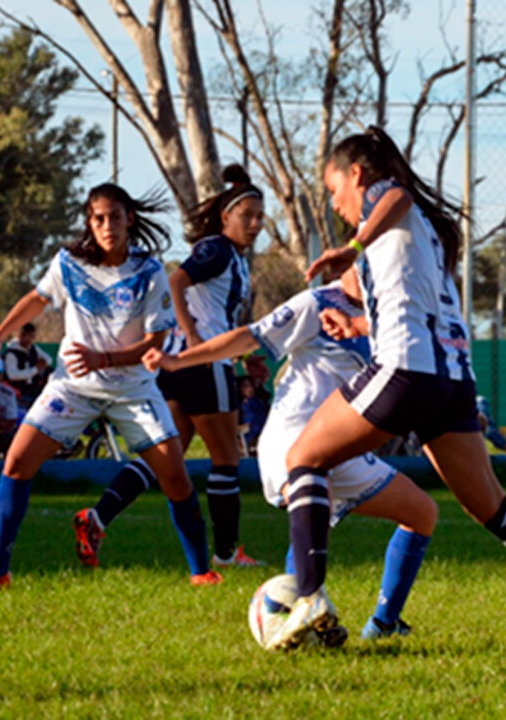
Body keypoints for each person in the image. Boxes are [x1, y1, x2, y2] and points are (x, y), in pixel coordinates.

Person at [264, 126, 506, 653]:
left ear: (358, 175)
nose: (336, 205)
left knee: (303, 456)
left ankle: (309, 597)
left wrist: (350, 246)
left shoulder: (384, 200)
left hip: (406, 372)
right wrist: (357, 327)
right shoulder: (420, 230)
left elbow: (394, 193)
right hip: (451, 382)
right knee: (489, 504)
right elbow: (415, 305)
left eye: (335, 191)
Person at [0, 183, 222, 590]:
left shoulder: (149, 272)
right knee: (17, 462)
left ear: (129, 218)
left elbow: (156, 343)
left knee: (176, 478)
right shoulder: (68, 263)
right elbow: (37, 299)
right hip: (72, 386)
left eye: (114, 216)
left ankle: (202, 573)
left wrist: (104, 359)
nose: (107, 225)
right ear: (89, 224)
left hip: (133, 389)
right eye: (98, 219)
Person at [143, 270, 438, 644]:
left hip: (342, 446)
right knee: (319, 493)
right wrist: (178, 360)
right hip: (293, 436)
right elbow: (249, 335)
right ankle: (300, 610)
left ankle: (382, 625)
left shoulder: (386, 317)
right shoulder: (315, 303)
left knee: (422, 513)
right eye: (364, 262)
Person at [73, 165, 266, 571]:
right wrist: (195, 337)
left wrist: (247, 354)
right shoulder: (217, 249)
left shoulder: (236, 258)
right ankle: (227, 554)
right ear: (225, 217)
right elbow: (177, 281)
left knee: (166, 455)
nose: (255, 224)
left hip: (183, 366)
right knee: (226, 459)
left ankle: (98, 517)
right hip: (203, 364)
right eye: (246, 215)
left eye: (259, 216)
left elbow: (220, 309)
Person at [3, 322, 54, 409]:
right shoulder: (11, 353)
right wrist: (35, 369)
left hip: (32, 390)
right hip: (17, 393)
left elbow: (48, 359)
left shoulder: (33, 348)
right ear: (18, 335)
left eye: (30, 336)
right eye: (24, 335)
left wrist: (42, 364)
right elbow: (13, 375)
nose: (27, 339)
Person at [236, 375, 268, 455]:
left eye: (250, 385)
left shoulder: (260, 401)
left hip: (264, 434)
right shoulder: (238, 406)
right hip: (249, 438)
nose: (249, 388)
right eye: (245, 386)